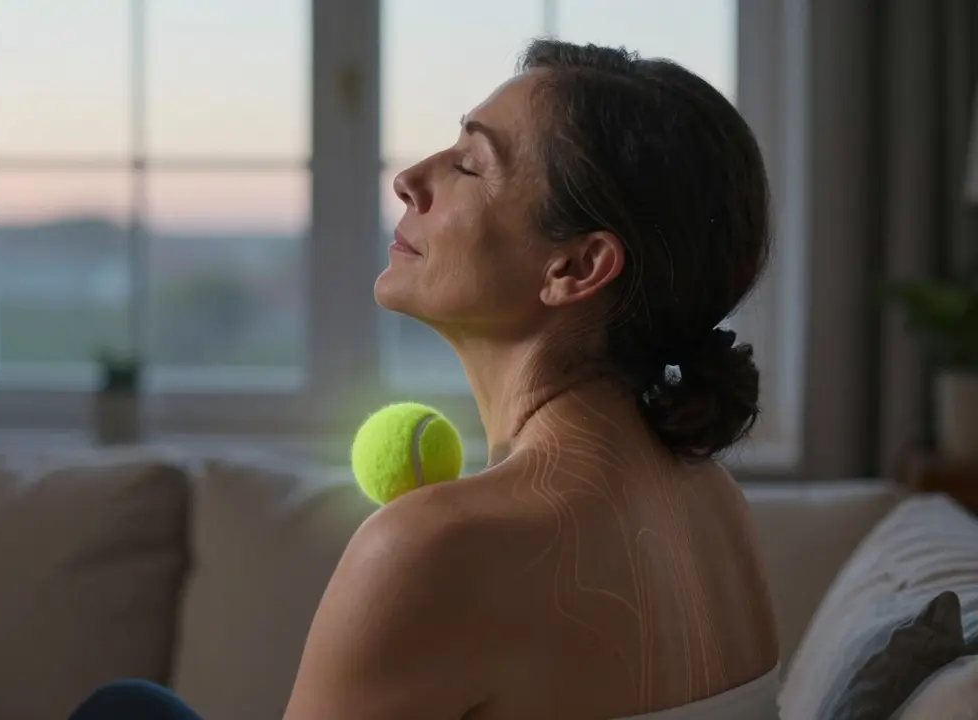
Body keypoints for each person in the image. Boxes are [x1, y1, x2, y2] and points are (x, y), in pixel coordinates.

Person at [69, 37, 779, 720]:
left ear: (576, 268)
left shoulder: (436, 546)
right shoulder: (714, 501)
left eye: (471, 165)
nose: (410, 179)